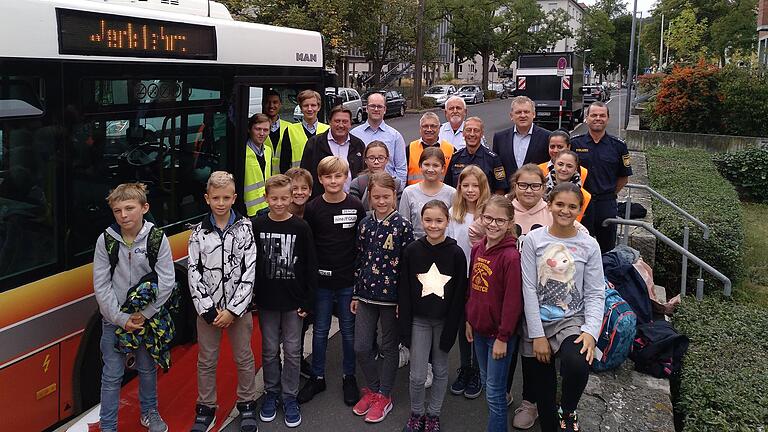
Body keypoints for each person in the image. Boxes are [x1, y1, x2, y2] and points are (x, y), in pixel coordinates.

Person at [521, 183, 605, 432]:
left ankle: (568, 409)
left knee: (577, 364)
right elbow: (528, 288)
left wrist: (590, 331)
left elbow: (595, 292)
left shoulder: (589, 245)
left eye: (572, 206)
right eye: (559, 204)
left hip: (571, 319)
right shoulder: (534, 240)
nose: (565, 211)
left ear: (580, 210)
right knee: (544, 397)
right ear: (549, 205)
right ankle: (551, 418)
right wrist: (537, 335)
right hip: (537, 319)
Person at [93, 183, 174, 432]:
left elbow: (167, 281)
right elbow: (101, 285)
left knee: (147, 368)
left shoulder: (157, 238)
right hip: (115, 321)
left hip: (145, 320)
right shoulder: (106, 240)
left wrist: (144, 314)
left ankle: (150, 412)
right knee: (112, 375)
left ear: (144, 208)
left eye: (129, 208)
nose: (123, 215)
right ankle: (108, 426)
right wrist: (120, 318)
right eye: (118, 210)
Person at [187, 172, 258, 432]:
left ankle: (247, 403)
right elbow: (194, 271)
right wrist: (208, 309)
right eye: (215, 198)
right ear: (207, 199)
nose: (221, 202)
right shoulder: (198, 233)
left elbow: (249, 270)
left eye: (226, 197)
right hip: (209, 311)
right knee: (206, 360)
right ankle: (206, 407)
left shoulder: (245, 228)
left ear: (234, 198)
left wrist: (233, 310)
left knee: (243, 357)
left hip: (237, 311)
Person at [298, 156, 366, 407]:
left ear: (346, 177)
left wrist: (358, 284)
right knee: (320, 331)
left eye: (339, 176)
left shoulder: (356, 206)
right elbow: (309, 248)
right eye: (328, 176)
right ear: (320, 179)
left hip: (348, 282)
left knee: (349, 332)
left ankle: (349, 376)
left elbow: (361, 247)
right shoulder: (313, 208)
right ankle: (317, 376)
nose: (334, 181)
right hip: (322, 284)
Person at [253, 174, 318, 428]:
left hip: (294, 302)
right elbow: (252, 264)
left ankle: (289, 395)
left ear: (292, 198)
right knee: (269, 351)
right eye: (274, 198)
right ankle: (272, 392)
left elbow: (311, 266)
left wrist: (308, 300)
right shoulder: (257, 225)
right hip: (268, 301)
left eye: (284, 198)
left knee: (292, 351)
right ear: (266, 198)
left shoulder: (301, 228)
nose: (279, 203)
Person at [399, 200, 468, 432]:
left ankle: (433, 415)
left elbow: (459, 294)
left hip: (444, 321)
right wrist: (404, 326)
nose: (433, 225)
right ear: (421, 220)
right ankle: (416, 413)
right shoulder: (412, 250)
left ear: (447, 222)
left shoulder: (457, 253)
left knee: (440, 370)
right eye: (428, 220)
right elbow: (405, 290)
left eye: (439, 220)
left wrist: (453, 327)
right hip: (419, 320)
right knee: (417, 375)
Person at [351, 172, 415, 424]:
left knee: (389, 348)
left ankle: (384, 395)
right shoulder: (365, 224)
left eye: (386, 197)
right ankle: (375, 389)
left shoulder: (403, 227)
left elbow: (408, 268)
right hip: (366, 296)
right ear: (369, 197)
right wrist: (356, 292)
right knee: (361, 347)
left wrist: (403, 301)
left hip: (391, 300)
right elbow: (359, 259)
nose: (381, 201)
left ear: (394, 197)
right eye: (376, 196)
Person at [465, 195, 524, 432]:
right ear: (481, 218)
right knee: (489, 382)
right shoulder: (478, 248)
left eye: (500, 220)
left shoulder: (511, 257)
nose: (492, 224)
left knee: (494, 393)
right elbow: (472, 287)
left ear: (510, 223)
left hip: (498, 337)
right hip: (478, 329)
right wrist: (469, 319)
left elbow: (513, 301)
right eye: (488, 218)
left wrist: (503, 337)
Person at [447, 165, 490, 400]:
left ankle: (479, 371)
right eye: (466, 186)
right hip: (460, 276)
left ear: (483, 188)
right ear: (460, 188)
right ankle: (465, 367)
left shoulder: (488, 215)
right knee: (464, 326)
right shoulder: (455, 212)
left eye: (476, 185)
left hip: (482, 277)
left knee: (478, 324)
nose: (471, 190)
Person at [570, 101, 632, 252]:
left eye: (602, 115)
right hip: (581, 203)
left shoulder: (618, 146)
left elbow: (624, 178)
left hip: (606, 204)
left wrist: (609, 193)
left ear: (608, 119)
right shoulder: (574, 143)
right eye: (594, 115)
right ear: (587, 118)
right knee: (578, 247)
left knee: (607, 248)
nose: (598, 118)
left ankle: (604, 276)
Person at [301, 105, 366, 198]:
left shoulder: (358, 145)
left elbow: (363, 174)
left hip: (352, 201)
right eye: (337, 121)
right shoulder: (314, 143)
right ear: (329, 122)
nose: (341, 125)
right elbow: (305, 175)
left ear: (350, 123)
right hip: (321, 202)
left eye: (345, 121)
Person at [400, 147, 457, 238]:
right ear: (420, 166)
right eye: (426, 164)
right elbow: (404, 226)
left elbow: (454, 226)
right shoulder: (408, 192)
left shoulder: (452, 193)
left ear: (443, 168)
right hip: (416, 246)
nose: (430, 169)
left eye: (435, 165)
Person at [351, 92, 408, 183]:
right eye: (372, 106)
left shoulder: (395, 136)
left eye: (379, 106)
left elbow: (401, 169)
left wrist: (396, 190)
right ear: (366, 108)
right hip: (360, 189)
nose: (376, 109)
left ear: (385, 109)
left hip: (387, 191)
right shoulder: (354, 134)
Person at [444, 116, 508, 194]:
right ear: (463, 133)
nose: (472, 134)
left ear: (481, 134)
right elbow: (448, 186)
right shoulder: (455, 158)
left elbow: (500, 190)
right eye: (468, 130)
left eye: (476, 130)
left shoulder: (493, 159)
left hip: (485, 205)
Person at [493, 96, 551, 177]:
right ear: (511, 116)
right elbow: (496, 167)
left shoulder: (547, 137)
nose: (523, 115)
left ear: (533, 114)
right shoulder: (499, 138)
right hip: (508, 189)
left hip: (535, 188)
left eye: (526, 112)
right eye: (518, 112)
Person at [280, 90, 330, 173]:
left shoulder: (327, 130)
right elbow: (284, 162)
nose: (310, 109)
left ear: (319, 107)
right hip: (298, 181)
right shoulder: (290, 130)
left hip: (322, 181)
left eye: (313, 105)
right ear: (300, 108)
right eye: (306, 105)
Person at [350, 140, 404, 212]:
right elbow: (355, 211)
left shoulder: (396, 184)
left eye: (380, 158)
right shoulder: (358, 183)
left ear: (387, 160)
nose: (376, 162)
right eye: (371, 158)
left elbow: (400, 211)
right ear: (365, 160)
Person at [406, 112, 455, 186]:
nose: (429, 129)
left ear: (439, 128)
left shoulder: (451, 149)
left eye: (433, 126)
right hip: (415, 195)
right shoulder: (409, 149)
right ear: (420, 129)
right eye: (425, 126)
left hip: (442, 195)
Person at [544, 150, 592, 222]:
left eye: (569, 166)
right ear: (554, 164)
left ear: (575, 169)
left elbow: (588, 228)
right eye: (560, 164)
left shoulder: (585, 196)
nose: (564, 169)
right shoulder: (539, 190)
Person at [244, 113, 274, 216]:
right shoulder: (242, 153)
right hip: (247, 210)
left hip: (266, 207)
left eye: (265, 130)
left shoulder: (268, 151)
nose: (262, 133)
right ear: (249, 129)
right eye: (258, 129)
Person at [263, 90, 292, 175]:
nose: (271, 106)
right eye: (268, 102)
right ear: (263, 104)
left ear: (280, 104)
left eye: (275, 102)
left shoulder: (289, 127)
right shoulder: (257, 128)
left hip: (283, 177)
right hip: (264, 177)